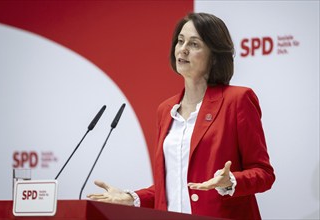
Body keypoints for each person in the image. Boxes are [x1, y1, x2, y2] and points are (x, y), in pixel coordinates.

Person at [87, 12, 275, 220]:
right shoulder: (166, 110)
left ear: (214, 57)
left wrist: (230, 181)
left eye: (194, 44)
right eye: (180, 41)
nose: (183, 49)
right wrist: (131, 198)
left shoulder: (237, 100)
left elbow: (264, 173)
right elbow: (170, 188)